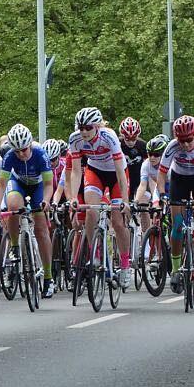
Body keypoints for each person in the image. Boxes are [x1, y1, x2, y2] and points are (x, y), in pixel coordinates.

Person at [66, 107, 133, 290]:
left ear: (97, 126)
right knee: (91, 211)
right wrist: (73, 197)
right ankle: (94, 254)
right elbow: (76, 171)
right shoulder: (75, 139)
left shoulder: (109, 136)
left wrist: (125, 201)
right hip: (95, 171)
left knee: (118, 222)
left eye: (88, 127)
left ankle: (125, 265)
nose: (84, 132)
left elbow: (120, 172)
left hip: (116, 174)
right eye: (81, 128)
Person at [155, 115, 194, 294]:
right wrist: (162, 194)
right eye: (181, 140)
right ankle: (176, 269)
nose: (185, 144)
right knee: (177, 224)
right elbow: (161, 174)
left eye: (189, 140)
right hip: (179, 179)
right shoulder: (172, 147)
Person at [0, 124, 55, 297]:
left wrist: (46, 201)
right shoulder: (9, 156)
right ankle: (15, 245)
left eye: (24, 150)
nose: (21, 154)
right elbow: (1, 184)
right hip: (19, 183)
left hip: (38, 186)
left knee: (41, 229)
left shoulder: (40, 154)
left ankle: (48, 277)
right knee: (13, 206)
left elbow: (49, 184)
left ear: (30, 144)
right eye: (17, 151)